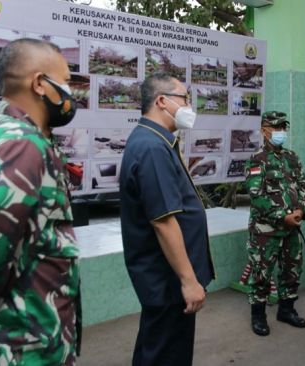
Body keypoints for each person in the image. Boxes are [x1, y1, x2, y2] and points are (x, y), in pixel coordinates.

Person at [0, 38, 80, 364]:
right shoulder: (22, 145)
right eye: (67, 82)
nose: (72, 94)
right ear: (40, 83)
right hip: (20, 346)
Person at [120, 72, 214, 366]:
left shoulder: (156, 141)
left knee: (159, 347)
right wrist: (189, 281)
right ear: (162, 101)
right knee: (165, 354)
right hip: (167, 278)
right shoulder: (152, 147)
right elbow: (163, 221)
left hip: (164, 275)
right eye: (185, 98)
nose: (189, 106)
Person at [245, 111, 305, 336]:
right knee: (261, 274)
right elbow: (257, 196)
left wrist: (302, 209)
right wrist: (282, 216)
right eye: (276, 127)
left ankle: (287, 310)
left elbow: (303, 186)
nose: (281, 131)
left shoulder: (292, 157)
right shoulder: (257, 159)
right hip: (266, 231)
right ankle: (258, 316)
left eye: (283, 127)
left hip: (292, 229)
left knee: (292, 271)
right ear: (264, 131)